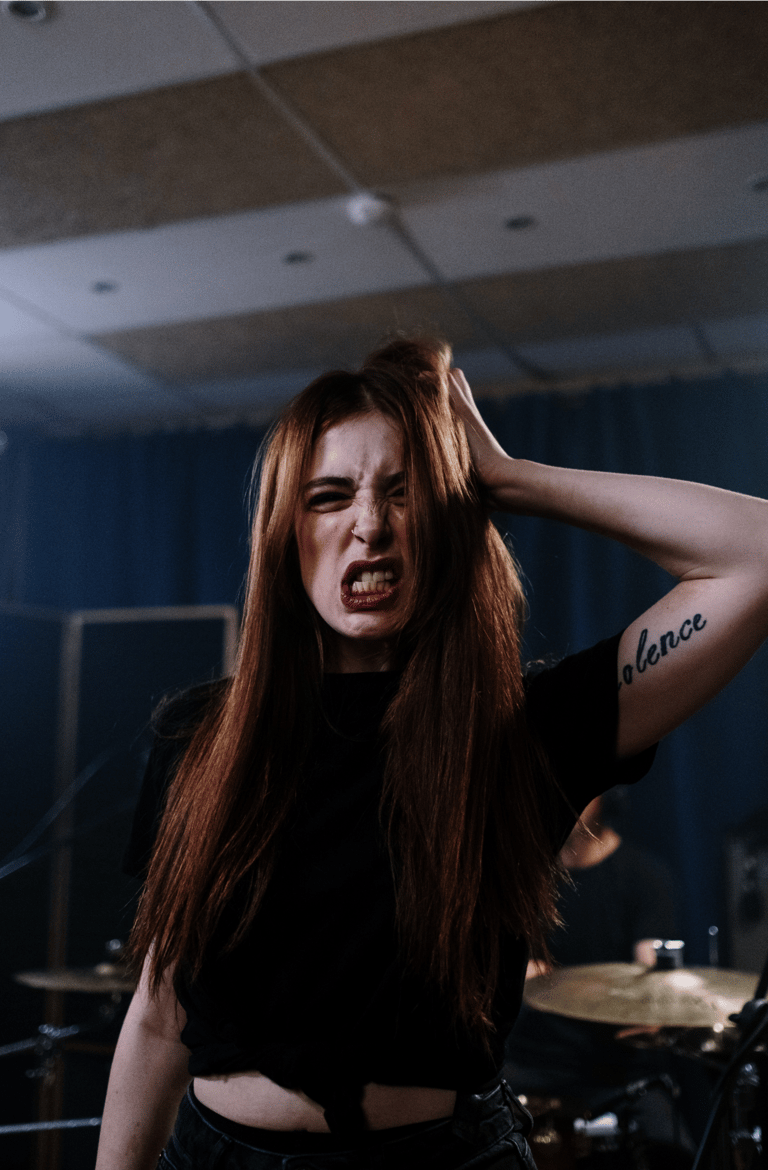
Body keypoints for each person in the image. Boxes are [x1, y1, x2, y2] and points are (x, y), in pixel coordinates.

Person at [95, 337, 768, 1170]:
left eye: (404, 492)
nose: (370, 526)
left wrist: (508, 477)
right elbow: (159, 1012)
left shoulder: (522, 730)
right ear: (283, 534)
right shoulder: (200, 738)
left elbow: (755, 554)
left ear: (448, 517)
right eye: (328, 497)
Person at [504, 794, 693, 1161]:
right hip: (535, 1061)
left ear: (607, 794)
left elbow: (651, 979)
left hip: (619, 1070)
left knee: (672, 1151)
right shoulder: (526, 879)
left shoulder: (644, 876)